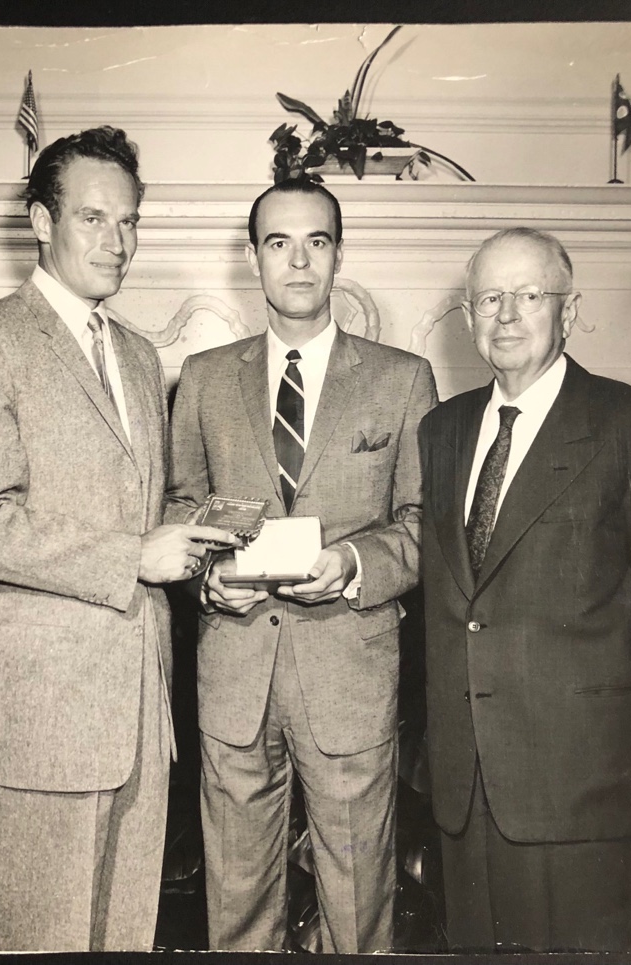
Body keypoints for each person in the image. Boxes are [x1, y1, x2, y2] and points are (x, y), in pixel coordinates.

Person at [0, 126, 235, 952]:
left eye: (130, 221)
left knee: (125, 935)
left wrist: (205, 535)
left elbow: (147, 503)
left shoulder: (134, 352)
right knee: (38, 937)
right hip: (46, 718)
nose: (119, 241)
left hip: (142, 706)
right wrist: (133, 557)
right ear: (39, 220)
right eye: (94, 218)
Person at [418, 227, 631, 951]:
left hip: (584, 788)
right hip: (466, 791)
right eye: (491, 297)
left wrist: (598, 723)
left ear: (570, 309)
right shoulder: (440, 431)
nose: (508, 314)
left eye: (530, 294)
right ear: (467, 316)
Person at [165, 178, 438, 952]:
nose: (298, 260)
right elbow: (180, 507)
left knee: (359, 906)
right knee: (236, 905)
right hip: (235, 674)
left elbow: (423, 524)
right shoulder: (207, 377)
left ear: (338, 255)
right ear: (254, 258)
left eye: (316, 242)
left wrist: (353, 561)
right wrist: (204, 577)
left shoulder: (401, 377)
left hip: (348, 673)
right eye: (279, 242)